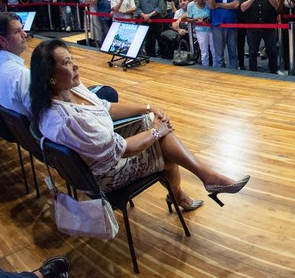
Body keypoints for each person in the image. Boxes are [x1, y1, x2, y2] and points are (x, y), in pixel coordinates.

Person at [30, 40, 250, 211]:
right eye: (67, 63)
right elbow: (123, 150)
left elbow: (106, 108)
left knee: (152, 126)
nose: (75, 65)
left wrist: (148, 108)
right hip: (104, 175)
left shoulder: (66, 91)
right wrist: (157, 131)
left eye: (71, 58)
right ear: (50, 77)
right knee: (165, 151)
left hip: (99, 154)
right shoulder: (69, 119)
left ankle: (199, 183)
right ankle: (192, 187)